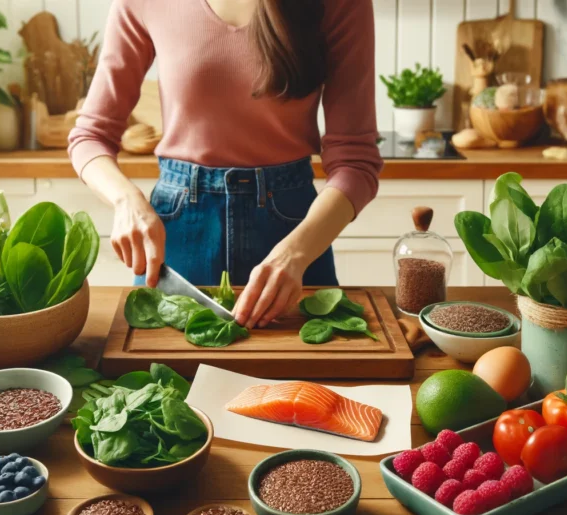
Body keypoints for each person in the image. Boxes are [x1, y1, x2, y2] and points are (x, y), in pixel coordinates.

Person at [68, 0, 382, 328]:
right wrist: (126, 201)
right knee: (162, 376)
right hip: (178, 231)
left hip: (295, 234)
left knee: (311, 379)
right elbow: (90, 136)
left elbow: (356, 161)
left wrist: (296, 253)